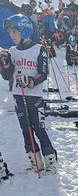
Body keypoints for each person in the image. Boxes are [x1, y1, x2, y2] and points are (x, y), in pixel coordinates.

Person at [0, 14, 57, 173]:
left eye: (15, 31)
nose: (12, 35)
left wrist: (30, 81)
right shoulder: (12, 51)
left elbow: (43, 73)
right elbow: (7, 76)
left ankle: (51, 160)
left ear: (24, 30)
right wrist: (5, 64)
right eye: (10, 32)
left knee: (38, 128)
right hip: (18, 95)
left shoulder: (39, 49)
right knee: (26, 129)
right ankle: (35, 162)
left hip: (34, 96)